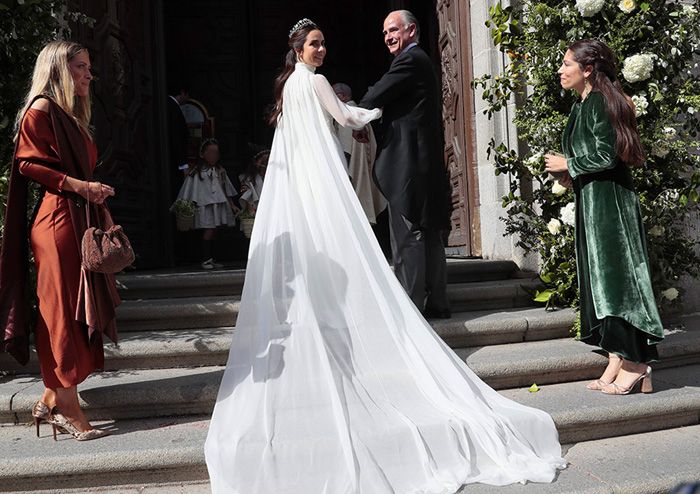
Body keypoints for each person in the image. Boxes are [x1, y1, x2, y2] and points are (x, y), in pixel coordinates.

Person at [204, 18, 565, 493]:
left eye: (323, 42)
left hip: (297, 186)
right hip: (321, 183)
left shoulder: (290, 86)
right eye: (314, 44)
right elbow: (348, 117)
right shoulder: (311, 82)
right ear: (298, 48)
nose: (321, 49)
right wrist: (367, 115)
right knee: (349, 250)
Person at [0, 41, 120, 441]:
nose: (89, 74)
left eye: (89, 66)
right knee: (61, 312)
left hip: (72, 218)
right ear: (59, 70)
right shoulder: (41, 109)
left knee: (70, 308)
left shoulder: (67, 114)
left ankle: (52, 397)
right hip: (56, 225)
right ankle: (69, 409)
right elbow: (27, 163)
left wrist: (88, 192)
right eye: (81, 67)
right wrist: (82, 186)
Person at [545, 39, 664, 395]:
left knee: (617, 281)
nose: (561, 70)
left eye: (567, 64)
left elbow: (607, 156)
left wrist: (569, 164)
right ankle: (616, 355)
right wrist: (569, 173)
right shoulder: (582, 105)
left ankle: (636, 364)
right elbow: (591, 154)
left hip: (610, 204)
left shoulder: (598, 101)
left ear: (588, 70)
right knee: (601, 281)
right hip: (593, 202)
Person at [357, 10, 452, 318]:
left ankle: (409, 310)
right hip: (424, 163)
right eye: (384, 32)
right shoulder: (420, 60)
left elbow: (377, 94)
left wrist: (355, 115)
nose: (388, 37)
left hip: (407, 165)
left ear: (412, 30)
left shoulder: (409, 60)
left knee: (408, 234)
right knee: (430, 231)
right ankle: (437, 302)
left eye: (393, 30)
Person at [172, 138, 239, 269]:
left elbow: (225, 189)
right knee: (208, 230)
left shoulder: (220, 171)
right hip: (204, 206)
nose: (214, 155)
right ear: (203, 154)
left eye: (216, 152)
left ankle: (211, 258)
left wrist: (232, 205)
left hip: (217, 205)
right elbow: (188, 184)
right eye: (211, 152)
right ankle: (205, 259)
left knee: (214, 230)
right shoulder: (197, 171)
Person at [333, 82, 387, 224]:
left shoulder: (349, 113)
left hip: (352, 167)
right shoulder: (354, 112)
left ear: (343, 96)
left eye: (334, 95)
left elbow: (347, 149)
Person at [237, 149, 268, 214]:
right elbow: (246, 196)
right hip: (254, 212)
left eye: (266, 162)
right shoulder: (247, 179)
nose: (264, 165)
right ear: (255, 162)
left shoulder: (273, 178)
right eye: (262, 162)